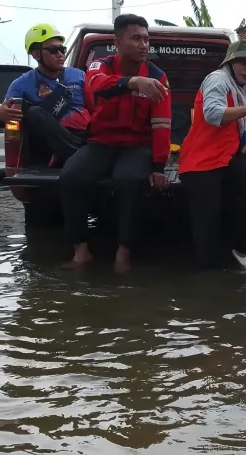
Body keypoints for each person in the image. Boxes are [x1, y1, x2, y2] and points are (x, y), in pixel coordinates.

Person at [57, 14, 172, 272]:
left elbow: (162, 124)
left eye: (146, 39)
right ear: (117, 42)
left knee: (129, 181)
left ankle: (123, 253)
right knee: (70, 177)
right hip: (102, 142)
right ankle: (81, 252)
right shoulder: (101, 66)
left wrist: (157, 167)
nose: (144, 44)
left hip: (137, 145)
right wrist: (131, 83)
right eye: (136, 38)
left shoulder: (157, 77)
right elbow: (96, 84)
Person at [178, 40, 246, 270]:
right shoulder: (218, 79)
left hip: (225, 158)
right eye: (243, 62)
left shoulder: (239, 87)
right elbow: (213, 113)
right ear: (230, 63)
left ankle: (245, 250)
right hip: (201, 162)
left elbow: (235, 101)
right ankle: (207, 274)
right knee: (208, 221)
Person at [0, 24, 89, 166]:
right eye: (54, 50)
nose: (60, 54)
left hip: (83, 138)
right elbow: (4, 116)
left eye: (62, 49)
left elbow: (97, 107)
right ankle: (77, 157)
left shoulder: (79, 76)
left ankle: (82, 156)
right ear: (37, 54)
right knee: (34, 113)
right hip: (49, 147)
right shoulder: (21, 84)